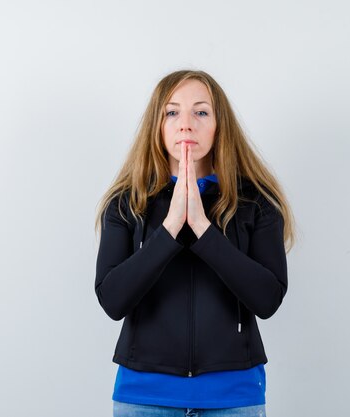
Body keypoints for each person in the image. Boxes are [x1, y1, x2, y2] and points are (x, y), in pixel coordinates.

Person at [94, 69, 296, 417]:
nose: (186, 124)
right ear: (157, 126)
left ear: (220, 125)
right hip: (144, 398)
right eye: (172, 112)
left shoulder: (256, 202)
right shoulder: (128, 201)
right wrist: (171, 227)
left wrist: (202, 228)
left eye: (201, 112)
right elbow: (112, 300)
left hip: (234, 398)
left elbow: (268, 299)